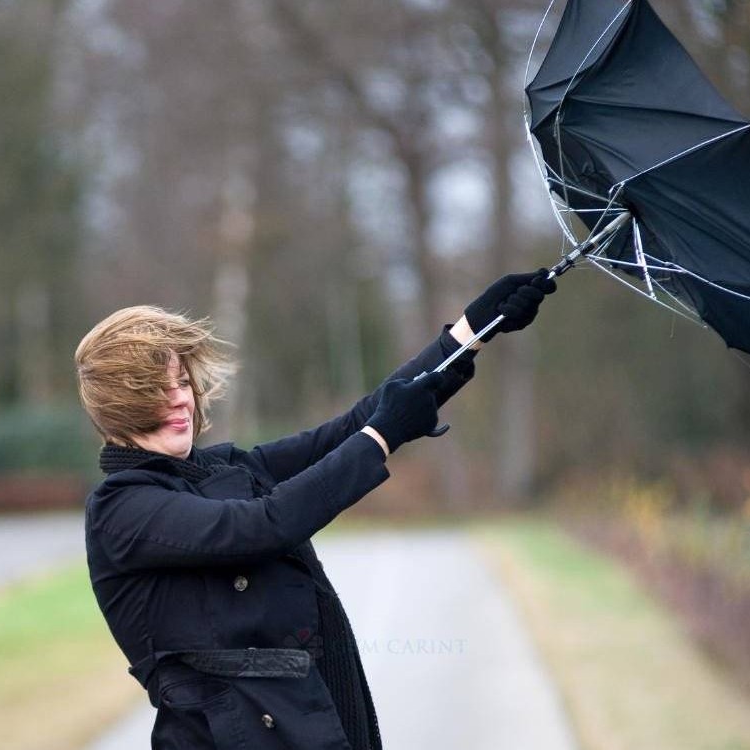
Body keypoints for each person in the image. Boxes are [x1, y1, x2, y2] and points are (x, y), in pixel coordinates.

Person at [76, 271, 556, 750]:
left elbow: (350, 427)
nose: (181, 397)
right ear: (121, 405)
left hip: (317, 720)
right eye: (158, 390)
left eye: (182, 381)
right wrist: (381, 438)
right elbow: (264, 525)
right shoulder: (122, 509)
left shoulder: (219, 469)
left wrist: (469, 334)